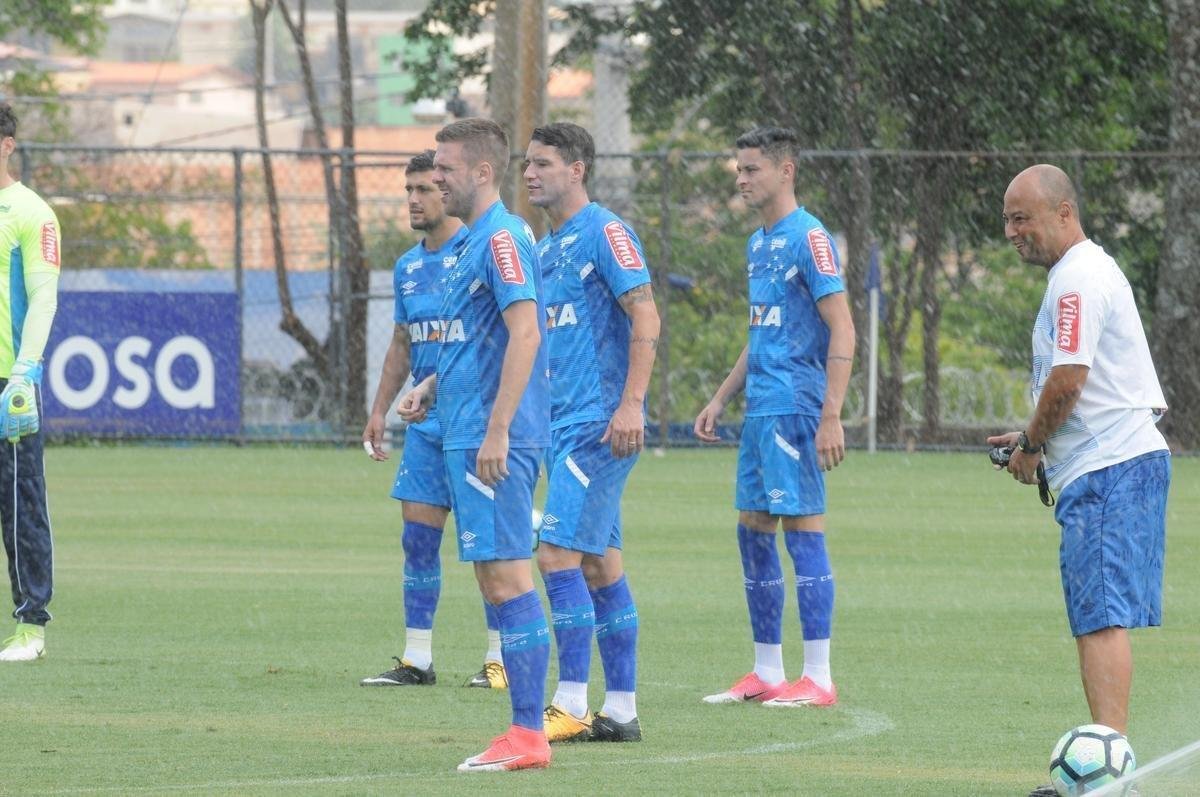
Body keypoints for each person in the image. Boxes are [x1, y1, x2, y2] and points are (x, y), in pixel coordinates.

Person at [993, 164, 1170, 797]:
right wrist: (1029, 437)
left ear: (1064, 212)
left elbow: (1070, 378)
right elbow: (1075, 388)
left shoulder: (1077, 280)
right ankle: (1108, 766)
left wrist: (1033, 447)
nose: (1012, 231)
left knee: (1099, 615)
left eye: (1023, 217)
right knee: (1099, 613)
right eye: (1007, 219)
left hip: (1110, 468)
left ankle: (1107, 775)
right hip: (1116, 460)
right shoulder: (1079, 275)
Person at [398, 118, 552, 773]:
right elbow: (477, 338)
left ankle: (528, 732)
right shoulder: (470, 247)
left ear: (483, 172)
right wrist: (431, 383)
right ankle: (523, 729)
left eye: (446, 168)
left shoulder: (504, 237)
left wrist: (497, 428)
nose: (436, 178)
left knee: (509, 574)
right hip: (461, 429)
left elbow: (525, 333)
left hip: (494, 437)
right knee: (494, 575)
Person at [693, 126, 855, 708]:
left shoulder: (809, 238)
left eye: (752, 168)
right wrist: (720, 398)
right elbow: (760, 330)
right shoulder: (758, 243)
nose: (741, 178)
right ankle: (766, 669)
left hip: (795, 405)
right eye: (738, 169)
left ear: (786, 170)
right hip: (761, 407)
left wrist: (830, 415)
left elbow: (843, 325)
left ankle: (818, 675)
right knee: (752, 532)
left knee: (803, 531)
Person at [522, 123, 660, 743]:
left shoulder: (605, 231)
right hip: (563, 426)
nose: (530, 173)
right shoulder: (547, 248)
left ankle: (570, 703)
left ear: (577, 169)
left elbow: (646, 312)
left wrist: (631, 405)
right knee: (601, 566)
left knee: (555, 556)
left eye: (543, 163)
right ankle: (622, 711)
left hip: (599, 427)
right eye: (526, 163)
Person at [359, 149, 507, 690]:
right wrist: (378, 411)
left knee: (486, 544)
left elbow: (495, 340)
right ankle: (416, 658)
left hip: (474, 418)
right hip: (425, 426)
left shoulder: (481, 251)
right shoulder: (408, 265)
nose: (416, 200)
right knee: (418, 539)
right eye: (410, 190)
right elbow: (403, 341)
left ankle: (500, 658)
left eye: (425, 188)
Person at [0, 102, 60, 663]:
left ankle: (30, 627)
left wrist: (27, 370)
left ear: (8, 144)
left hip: (8, 381)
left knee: (20, 502)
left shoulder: (30, 211)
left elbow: (43, 295)